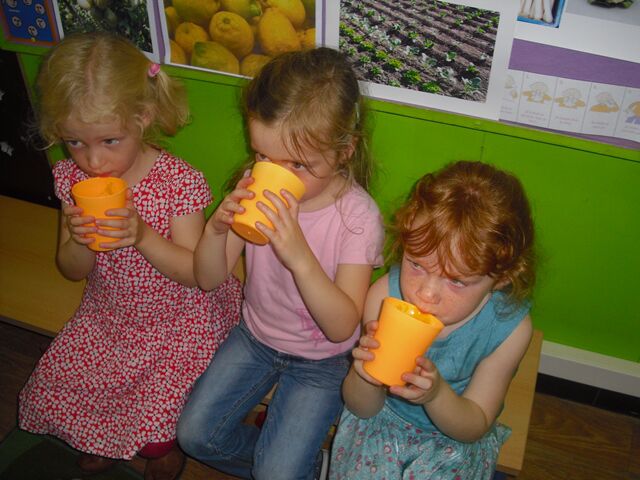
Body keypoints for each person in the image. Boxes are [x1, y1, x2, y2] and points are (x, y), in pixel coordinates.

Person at [18, 32, 242, 480]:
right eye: (74, 142)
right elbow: (71, 270)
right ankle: (103, 437)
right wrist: (79, 239)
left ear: (143, 117)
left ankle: (162, 452)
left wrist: (141, 235)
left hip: (180, 319)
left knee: (156, 433)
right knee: (54, 389)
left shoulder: (178, 182)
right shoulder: (72, 179)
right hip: (110, 313)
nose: (93, 161)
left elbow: (196, 273)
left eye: (109, 141)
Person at [176, 47, 385, 480]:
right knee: (194, 436)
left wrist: (301, 258)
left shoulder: (358, 218)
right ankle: (292, 464)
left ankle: (288, 466)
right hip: (255, 335)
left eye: (298, 165)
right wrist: (216, 230)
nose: (273, 173)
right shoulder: (252, 185)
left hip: (323, 360)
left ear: (344, 151)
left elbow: (342, 327)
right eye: (263, 156)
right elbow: (208, 278)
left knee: (277, 472)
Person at [330, 161, 537, 480]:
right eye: (416, 264)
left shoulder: (508, 331)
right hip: (382, 422)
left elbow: (475, 425)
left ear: (501, 278)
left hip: (452, 436)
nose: (425, 293)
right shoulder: (384, 297)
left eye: (456, 281)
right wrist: (365, 375)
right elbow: (362, 408)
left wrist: (437, 395)